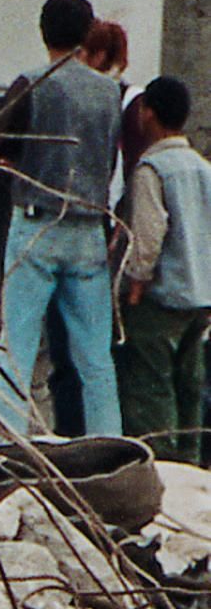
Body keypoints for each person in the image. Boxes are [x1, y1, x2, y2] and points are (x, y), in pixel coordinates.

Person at [0, 0, 125, 437]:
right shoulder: (110, 92)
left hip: (37, 220)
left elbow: (3, 152)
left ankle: (4, 447)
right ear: (87, 34)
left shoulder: (30, 82)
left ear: (43, 31)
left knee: (17, 347)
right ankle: (109, 448)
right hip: (89, 225)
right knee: (95, 357)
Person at [116, 75, 211, 464]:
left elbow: (149, 234)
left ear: (147, 112)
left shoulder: (151, 169)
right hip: (200, 296)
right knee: (190, 382)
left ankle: (162, 463)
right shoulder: (203, 169)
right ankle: (192, 462)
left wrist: (136, 284)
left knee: (152, 385)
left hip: (161, 296)